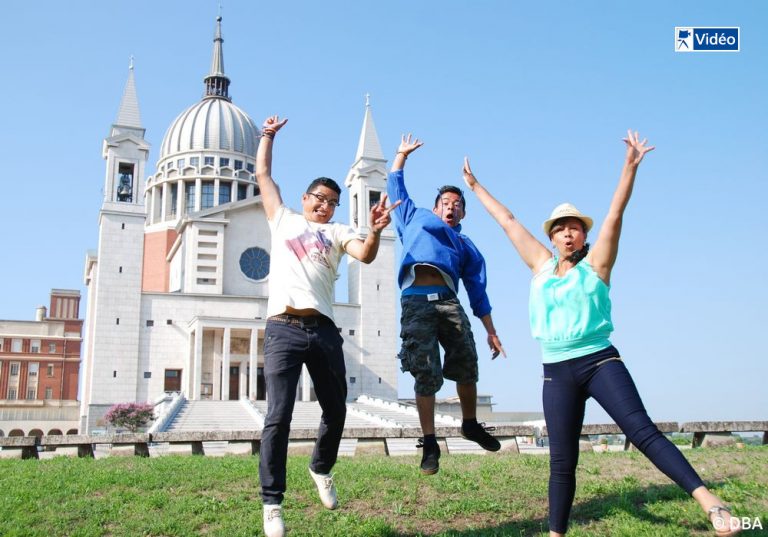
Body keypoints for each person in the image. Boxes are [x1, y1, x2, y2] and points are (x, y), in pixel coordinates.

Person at [462, 130, 741, 536]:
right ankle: (556, 533)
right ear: (552, 237)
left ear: (584, 236)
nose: (568, 233)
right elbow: (508, 221)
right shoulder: (540, 266)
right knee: (561, 461)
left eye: (574, 228)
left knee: (641, 431)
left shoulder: (598, 266)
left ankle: (710, 502)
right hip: (556, 371)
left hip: (599, 361)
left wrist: (629, 168)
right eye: (560, 229)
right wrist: (475, 186)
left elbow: (615, 213)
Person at [256, 115, 400, 537]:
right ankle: (272, 503)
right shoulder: (282, 218)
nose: (324, 205)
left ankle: (321, 468)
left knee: (336, 409)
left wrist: (372, 230)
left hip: (322, 331)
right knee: (277, 416)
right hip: (283, 327)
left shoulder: (338, 232)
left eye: (331, 201)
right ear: (305, 198)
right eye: (319, 198)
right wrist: (267, 137)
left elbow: (367, 254)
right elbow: (262, 173)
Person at [387, 134, 506, 476]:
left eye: (457, 203)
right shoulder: (414, 216)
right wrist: (401, 156)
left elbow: (478, 290)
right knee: (425, 372)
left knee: (467, 364)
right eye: (446, 201)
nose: (451, 206)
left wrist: (491, 331)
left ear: (463, 212)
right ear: (436, 206)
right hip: (415, 304)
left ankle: (470, 423)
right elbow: (396, 187)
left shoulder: (466, 245)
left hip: (449, 303)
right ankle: (430, 443)